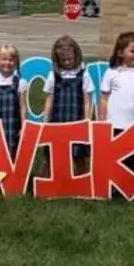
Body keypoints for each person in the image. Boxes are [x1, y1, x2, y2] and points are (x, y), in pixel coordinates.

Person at [99, 31, 134, 185]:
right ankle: (114, 187)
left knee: (133, 160)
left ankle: (131, 186)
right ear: (120, 52)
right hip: (114, 124)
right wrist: (101, 122)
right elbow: (104, 98)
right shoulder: (111, 72)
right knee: (115, 159)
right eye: (132, 51)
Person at [42, 35, 93, 175]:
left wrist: (87, 120)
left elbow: (87, 100)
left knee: (78, 156)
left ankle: (83, 181)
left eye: (70, 58)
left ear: (76, 55)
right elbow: (49, 98)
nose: (67, 62)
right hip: (57, 121)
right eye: (63, 60)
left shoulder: (83, 75)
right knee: (51, 155)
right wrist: (45, 119)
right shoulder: (54, 75)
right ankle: (46, 181)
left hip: (76, 121)